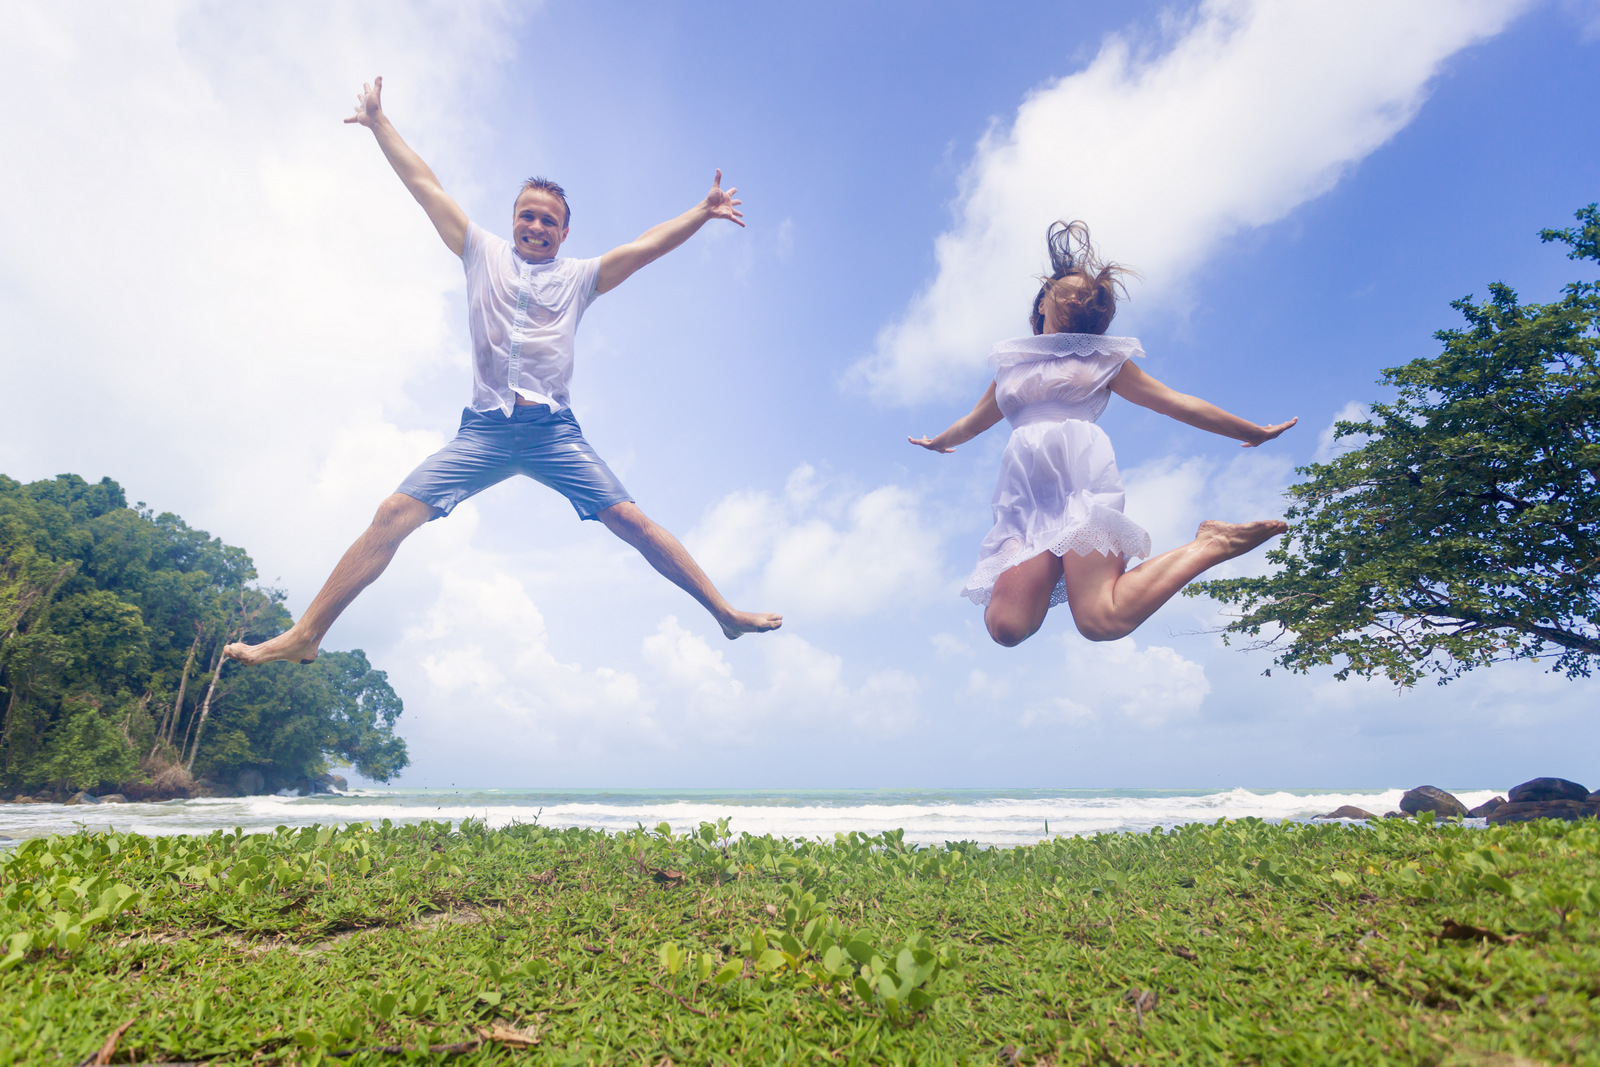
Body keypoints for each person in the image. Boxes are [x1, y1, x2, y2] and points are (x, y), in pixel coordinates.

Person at [226, 77, 781, 667]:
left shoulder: (580, 278)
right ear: (513, 219)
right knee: (391, 513)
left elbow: (646, 246)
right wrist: (380, 124)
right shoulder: (479, 252)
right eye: (528, 216)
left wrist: (702, 211)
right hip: (483, 432)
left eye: (549, 221)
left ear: (564, 232)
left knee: (631, 521)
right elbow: (424, 186)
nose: (536, 227)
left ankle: (722, 612)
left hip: (552, 433)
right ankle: (307, 634)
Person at [909, 221, 1296, 649]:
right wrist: (941, 440)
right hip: (1023, 504)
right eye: (1069, 289)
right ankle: (1058, 559)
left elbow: (1175, 402)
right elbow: (977, 419)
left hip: (1082, 489)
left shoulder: (1104, 359)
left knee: (1101, 621)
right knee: (1006, 626)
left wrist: (1253, 431)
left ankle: (1212, 543)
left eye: (1087, 294)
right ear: (1043, 303)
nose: (1078, 295)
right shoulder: (1011, 363)